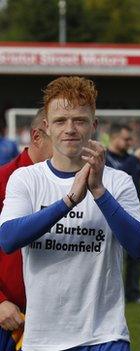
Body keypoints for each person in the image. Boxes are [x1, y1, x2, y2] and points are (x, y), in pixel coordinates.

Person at [0, 76, 140, 350]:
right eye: (60, 121)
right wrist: (67, 202)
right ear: (46, 126)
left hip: (104, 334)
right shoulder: (26, 179)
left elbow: (139, 246)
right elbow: (8, 238)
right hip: (43, 337)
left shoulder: (118, 181)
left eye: (79, 120)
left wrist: (100, 193)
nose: (70, 129)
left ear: (94, 125)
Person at [0, 108, 52, 351]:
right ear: (37, 137)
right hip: (9, 319)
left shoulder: (80, 185)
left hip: (61, 320)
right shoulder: (3, 180)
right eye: (59, 136)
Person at [105, 123, 140, 305]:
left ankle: (133, 293)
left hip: (133, 214)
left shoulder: (131, 160)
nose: (130, 142)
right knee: (107, 257)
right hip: (109, 216)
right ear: (114, 138)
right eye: (126, 139)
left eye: (131, 139)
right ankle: (107, 295)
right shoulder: (103, 159)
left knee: (136, 255)